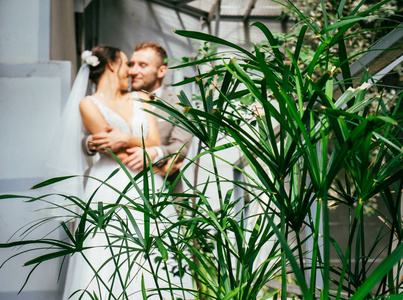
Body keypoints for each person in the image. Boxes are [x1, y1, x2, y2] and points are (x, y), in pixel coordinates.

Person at [60, 45, 180, 300]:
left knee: (152, 257)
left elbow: (156, 142)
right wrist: (135, 144)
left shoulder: (142, 98)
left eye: (139, 65)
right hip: (108, 187)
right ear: (113, 65)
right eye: (127, 62)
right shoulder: (88, 104)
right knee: (106, 253)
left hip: (150, 186)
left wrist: (126, 138)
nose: (131, 70)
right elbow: (108, 146)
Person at [87, 42, 193, 195]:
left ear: (161, 71)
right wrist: (91, 142)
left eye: (142, 65)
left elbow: (180, 147)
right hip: (116, 186)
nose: (133, 71)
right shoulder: (118, 98)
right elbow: (90, 127)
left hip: (164, 191)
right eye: (131, 64)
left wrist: (156, 153)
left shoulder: (179, 104)